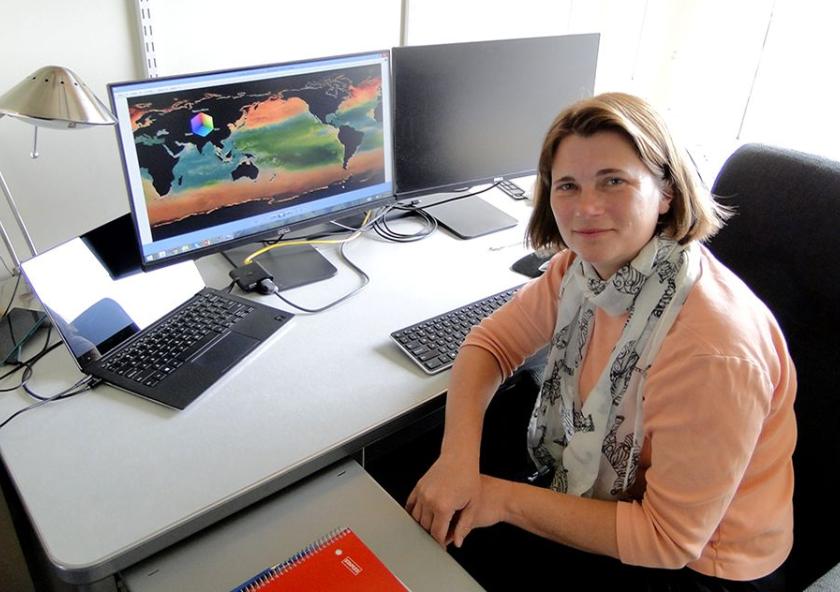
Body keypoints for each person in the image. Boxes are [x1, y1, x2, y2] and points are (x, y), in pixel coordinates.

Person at [405, 92, 796, 591]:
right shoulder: (585, 271)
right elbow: (490, 345)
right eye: (568, 185)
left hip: (702, 565)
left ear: (667, 192)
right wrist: (456, 460)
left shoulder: (712, 352)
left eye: (613, 180)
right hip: (610, 493)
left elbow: (668, 540)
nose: (586, 209)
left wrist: (498, 498)